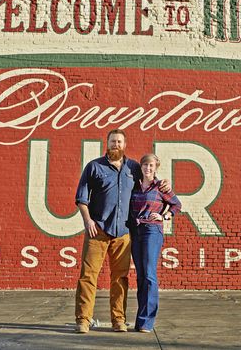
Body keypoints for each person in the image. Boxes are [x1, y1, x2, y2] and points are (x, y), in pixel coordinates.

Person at [74, 129, 169, 334]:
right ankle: (83, 320)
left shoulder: (133, 167)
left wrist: (164, 184)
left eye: (119, 141)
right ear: (107, 144)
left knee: (120, 278)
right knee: (88, 276)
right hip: (97, 230)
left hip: (124, 233)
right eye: (112, 141)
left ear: (124, 144)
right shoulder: (94, 167)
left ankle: (118, 320)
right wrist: (88, 220)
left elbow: (151, 182)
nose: (116, 145)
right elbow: (81, 198)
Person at [130, 153, 182, 333]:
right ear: (141, 166)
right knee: (140, 275)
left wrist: (164, 216)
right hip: (135, 231)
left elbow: (176, 205)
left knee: (150, 274)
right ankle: (140, 320)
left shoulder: (160, 186)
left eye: (151, 165)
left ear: (156, 168)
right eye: (145, 165)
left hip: (152, 230)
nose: (148, 168)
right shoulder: (134, 185)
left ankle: (147, 322)